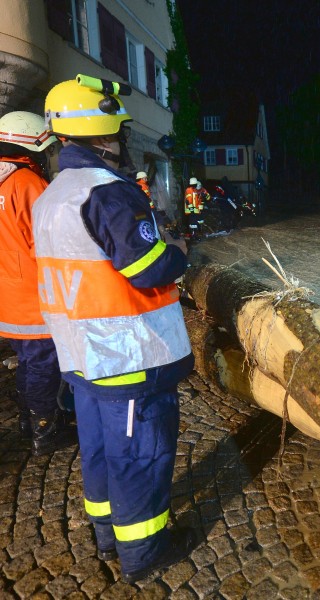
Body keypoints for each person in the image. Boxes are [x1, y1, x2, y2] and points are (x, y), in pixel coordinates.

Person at [33, 74, 196, 583]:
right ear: (102, 131)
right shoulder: (108, 193)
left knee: (101, 451)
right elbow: (148, 268)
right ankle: (144, 555)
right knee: (140, 458)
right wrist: (180, 255)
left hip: (82, 355)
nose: (123, 140)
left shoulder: (53, 194)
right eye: (119, 130)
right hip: (129, 358)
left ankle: (106, 534)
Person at [0, 111, 78, 455]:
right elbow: (48, 241)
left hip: (8, 297)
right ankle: (45, 431)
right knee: (44, 364)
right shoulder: (27, 183)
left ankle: (26, 421)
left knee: (29, 362)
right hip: (33, 298)